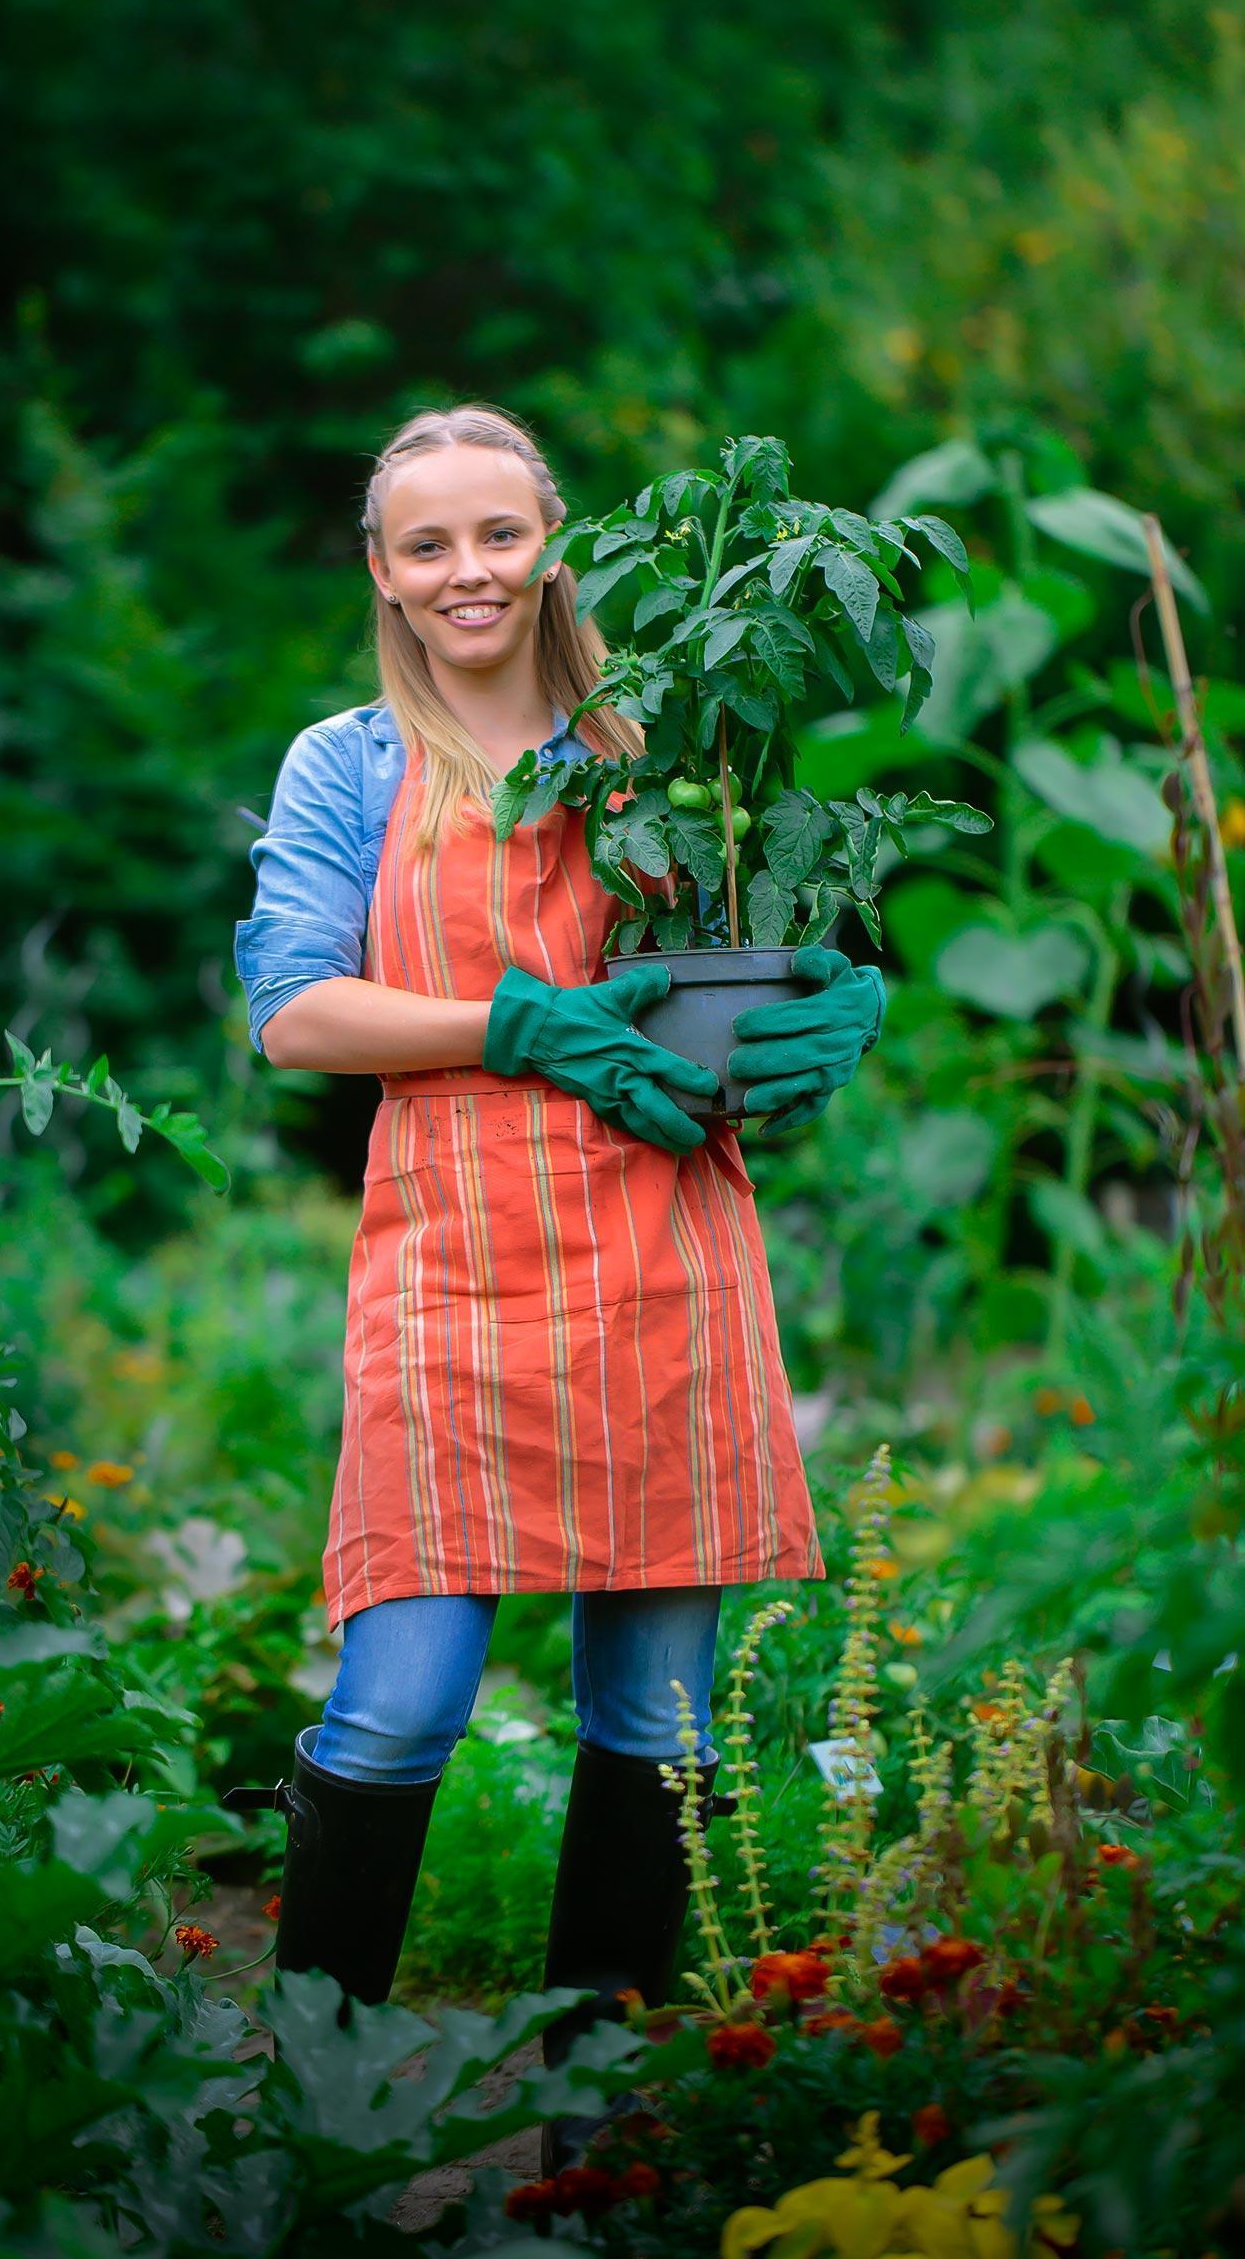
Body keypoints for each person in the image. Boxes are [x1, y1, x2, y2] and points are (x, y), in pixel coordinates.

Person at [228, 403, 884, 2173]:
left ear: (554, 540)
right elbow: (293, 1012)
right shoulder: (348, 766)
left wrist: (832, 1000)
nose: (468, 574)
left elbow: (763, 942)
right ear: (382, 571)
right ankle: (317, 2114)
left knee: (656, 1715)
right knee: (401, 1698)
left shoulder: (662, 744)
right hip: (451, 1261)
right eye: (427, 544)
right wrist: (519, 1023)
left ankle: (599, 2129)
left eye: (499, 536)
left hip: (663, 1250)